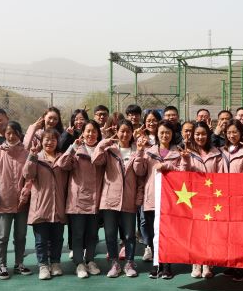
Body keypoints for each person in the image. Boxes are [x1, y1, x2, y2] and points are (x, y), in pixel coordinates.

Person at [91, 120, 142, 278]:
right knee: (110, 234)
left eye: (128, 131)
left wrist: (140, 152)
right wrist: (102, 143)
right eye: (122, 131)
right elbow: (95, 160)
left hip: (129, 200)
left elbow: (141, 173)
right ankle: (114, 264)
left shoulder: (137, 149)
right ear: (117, 132)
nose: (125, 134)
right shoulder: (109, 150)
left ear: (132, 133)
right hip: (110, 199)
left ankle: (129, 263)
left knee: (129, 235)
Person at [133, 120, 183, 280]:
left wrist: (167, 166)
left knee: (168, 233)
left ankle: (167, 265)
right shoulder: (148, 151)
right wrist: (139, 152)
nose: (165, 135)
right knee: (154, 233)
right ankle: (156, 264)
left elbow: (183, 172)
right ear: (157, 134)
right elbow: (139, 171)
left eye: (168, 132)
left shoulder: (178, 152)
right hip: (152, 198)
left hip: (171, 200)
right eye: (162, 132)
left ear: (172, 134)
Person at [56, 120, 104, 278]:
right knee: (77, 234)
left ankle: (90, 261)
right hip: (77, 199)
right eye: (88, 131)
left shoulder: (102, 150)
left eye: (94, 131)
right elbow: (62, 164)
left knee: (92, 234)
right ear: (82, 133)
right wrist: (72, 147)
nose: (91, 134)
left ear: (98, 133)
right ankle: (79, 263)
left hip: (95, 199)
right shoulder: (76, 149)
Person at [0, 121, 32, 279]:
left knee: (20, 236)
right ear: (4, 135)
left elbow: (30, 177)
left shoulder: (26, 154)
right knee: (2, 237)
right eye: (8, 133)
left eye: (14, 133)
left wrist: (25, 193)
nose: (11, 136)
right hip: (4, 201)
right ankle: (2, 265)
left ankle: (19, 264)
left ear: (19, 134)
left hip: (21, 204)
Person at [180, 121, 225, 279]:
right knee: (196, 232)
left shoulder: (217, 153)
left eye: (203, 134)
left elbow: (222, 175)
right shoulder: (187, 152)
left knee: (210, 232)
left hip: (212, 199)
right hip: (194, 198)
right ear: (193, 135)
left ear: (209, 135)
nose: (200, 137)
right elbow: (182, 174)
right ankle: (196, 263)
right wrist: (185, 159)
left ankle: (207, 263)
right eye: (197, 134)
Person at [21, 129, 68, 280]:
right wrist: (32, 156)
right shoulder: (37, 157)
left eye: (53, 139)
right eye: (46, 139)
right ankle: (43, 265)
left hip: (58, 205)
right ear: (41, 141)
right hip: (41, 206)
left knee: (57, 238)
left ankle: (55, 263)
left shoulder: (62, 158)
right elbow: (27, 174)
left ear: (57, 142)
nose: (50, 142)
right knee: (41, 240)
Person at [219, 120, 243, 282]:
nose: (232, 135)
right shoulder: (222, 151)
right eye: (229, 132)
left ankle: (242, 266)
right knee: (229, 233)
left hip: (241, 199)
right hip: (225, 198)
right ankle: (232, 263)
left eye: (235, 132)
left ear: (241, 133)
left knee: (241, 234)